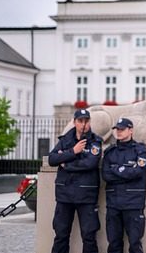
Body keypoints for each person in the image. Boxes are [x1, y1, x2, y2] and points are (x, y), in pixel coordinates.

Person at [49, 108, 103, 253]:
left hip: (86, 195)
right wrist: (73, 151)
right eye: (80, 121)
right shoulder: (65, 140)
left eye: (86, 121)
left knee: (89, 235)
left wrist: (66, 163)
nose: (83, 124)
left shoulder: (95, 142)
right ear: (74, 122)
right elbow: (52, 159)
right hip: (64, 194)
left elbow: (90, 163)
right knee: (61, 233)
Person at [102, 118, 146, 253]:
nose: (119, 132)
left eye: (122, 129)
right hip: (113, 204)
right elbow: (106, 175)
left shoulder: (139, 150)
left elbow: (138, 172)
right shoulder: (110, 152)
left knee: (135, 244)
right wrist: (126, 172)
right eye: (117, 129)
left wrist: (116, 170)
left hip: (133, 204)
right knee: (114, 244)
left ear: (131, 130)